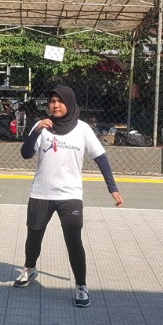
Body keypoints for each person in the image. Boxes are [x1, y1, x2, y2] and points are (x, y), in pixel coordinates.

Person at [14, 85, 124, 308]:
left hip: (70, 195)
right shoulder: (42, 126)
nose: (55, 105)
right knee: (33, 237)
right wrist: (36, 131)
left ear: (70, 103)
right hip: (41, 193)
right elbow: (25, 154)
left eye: (60, 101)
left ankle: (81, 285)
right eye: (52, 101)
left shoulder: (83, 129)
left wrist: (112, 188)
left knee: (74, 240)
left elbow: (101, 158)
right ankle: (30, 268)